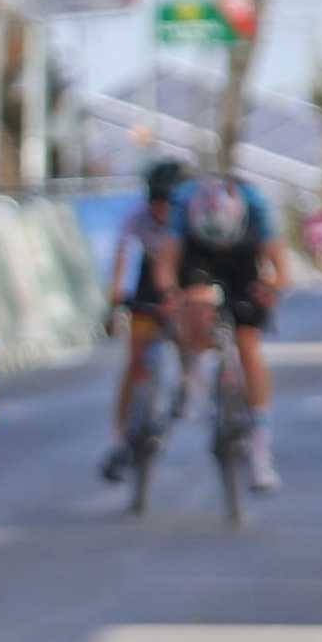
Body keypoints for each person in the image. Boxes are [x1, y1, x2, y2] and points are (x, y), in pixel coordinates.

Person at [149, 174, 287, 493]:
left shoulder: (257, 206)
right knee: (195, 303)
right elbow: (166, 264)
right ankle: (195, 375)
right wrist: (170, 294)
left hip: (243, 262)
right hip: (199, 259)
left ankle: (260, 448)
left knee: (249, 344)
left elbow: (281, 270)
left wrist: (270, 288)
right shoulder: (184, 204)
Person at [100, 160, 191, 482]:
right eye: (157, 202)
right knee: (135, 358)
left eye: (169, 203)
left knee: (188, 337)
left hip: (183, 283)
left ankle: (186, 385)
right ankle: (120, 437)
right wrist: (114, 304)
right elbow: (122, 259)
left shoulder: (189, 220)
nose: (162, 209)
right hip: (148, 289)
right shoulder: (136, 219)